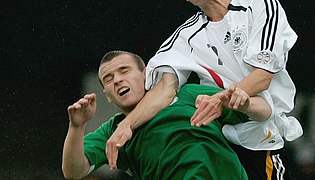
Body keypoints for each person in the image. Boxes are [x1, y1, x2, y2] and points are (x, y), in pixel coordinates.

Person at [106, 0, 303, 179]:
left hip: (260, 140)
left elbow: (263, 76)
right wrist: (126, 125)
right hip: (218, 143)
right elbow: (164, 88)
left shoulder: (260, 5)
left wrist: (222, 98)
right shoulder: (185, 36)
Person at [62, 50, 272, 179]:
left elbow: (264, 111)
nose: (117, 80)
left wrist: (242, 103)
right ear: (107, 95)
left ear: (146, 74)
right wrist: (76, 127)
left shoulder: (188, 95)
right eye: (108, 79)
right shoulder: (114, 130)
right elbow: (74, 171)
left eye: (124, 71)